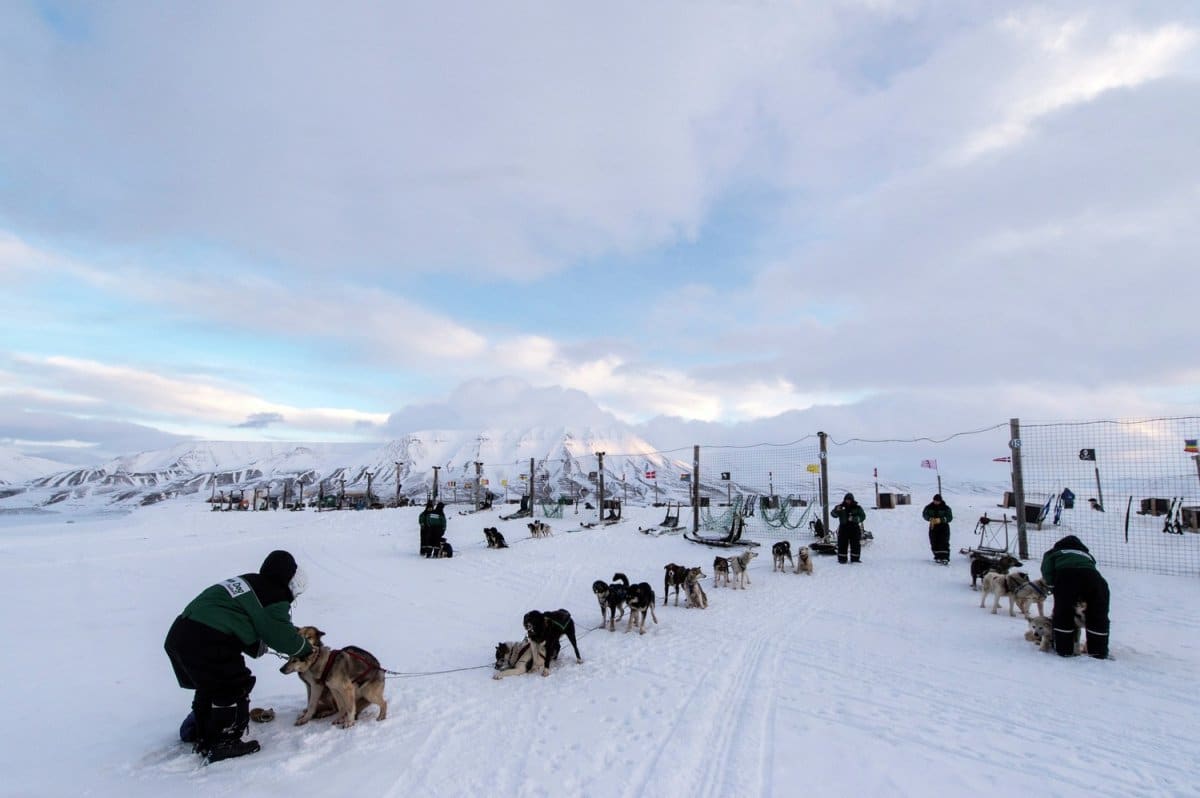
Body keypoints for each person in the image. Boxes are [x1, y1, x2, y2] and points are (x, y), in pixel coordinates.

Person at [164, 550, 312, 762]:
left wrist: (259, 643)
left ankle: (198, 728)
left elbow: (243, 620)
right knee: (232, 685)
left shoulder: (250, 582)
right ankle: (224, 742)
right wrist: (306, 648)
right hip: (206, 639)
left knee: (212, 684)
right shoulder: (273, 595)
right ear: (289, 582)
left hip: (181, 634)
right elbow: (280, 635)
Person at [1040, 535, 1110, 659]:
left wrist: (1052, 585)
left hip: (1067, 577)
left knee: (1063, 612)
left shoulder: (1054, 552)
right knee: (1097, 614)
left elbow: (1046, 569)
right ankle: (1098, 651)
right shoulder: (1086, 554)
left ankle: (1064, 649)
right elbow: (1091, 566)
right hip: (1095, 580)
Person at [831, 492, 866, 564]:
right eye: (847, 500)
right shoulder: (840, 507)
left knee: (855, 544)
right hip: (843, 528)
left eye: (849, 500)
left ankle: (855, 559)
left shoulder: (857, 507)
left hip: (854, 528)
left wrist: (854, 519)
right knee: (842, 544)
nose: (848, 501)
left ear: (852, 500)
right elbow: (833, 515)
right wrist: (836, 510)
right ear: (844, 500)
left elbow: (863, 516)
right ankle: (842, 559)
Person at [922, 493, 953, 564]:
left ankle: (945, 557)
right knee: (934, 541)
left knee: (944, 542)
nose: (936, 502)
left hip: (943, 527)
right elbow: (924, 514)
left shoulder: (946, 508)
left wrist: (941, 520)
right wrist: (929, 518)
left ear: (941, 501)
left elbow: (950, 517)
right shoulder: (929, 507)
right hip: (933, 527)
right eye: (935, 501)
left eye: (937, 501)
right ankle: (937, 556)